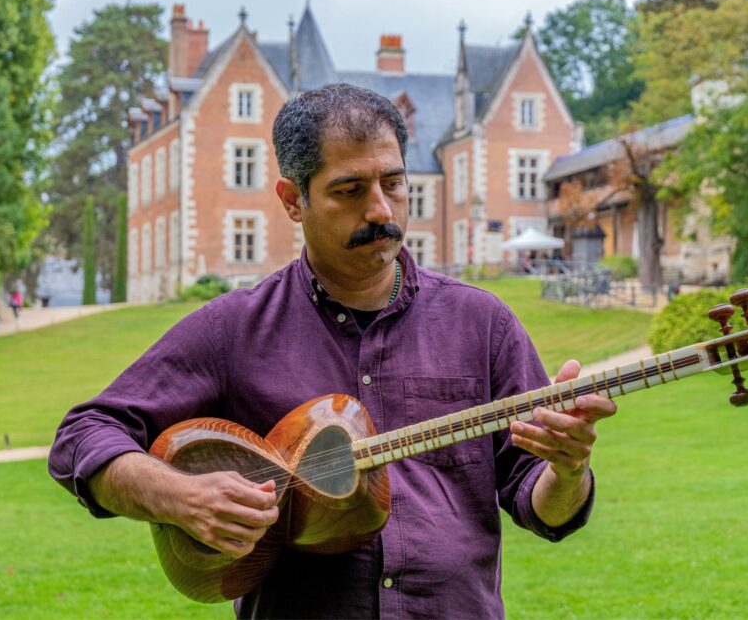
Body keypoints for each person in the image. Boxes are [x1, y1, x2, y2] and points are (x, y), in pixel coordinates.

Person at [48, 83, 617, 618]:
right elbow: (83, 436)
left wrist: (569, 470)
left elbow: (544, 508)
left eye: (394, 183)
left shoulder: (482, 322)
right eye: (350, 190)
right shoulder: (234, 329)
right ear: (293, 200)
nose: (382, 211)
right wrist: (180, 496)